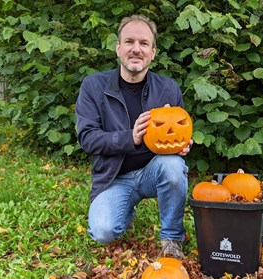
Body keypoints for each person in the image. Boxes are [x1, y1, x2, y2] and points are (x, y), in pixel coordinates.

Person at [75, 14, 192, 258]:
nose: (136, 49)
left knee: (174, 165)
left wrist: (181, 146)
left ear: (153, 52)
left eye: (144, 43)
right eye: (129, 42)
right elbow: (87, 138)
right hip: (113, 177)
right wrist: (131, 137)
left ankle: (171, 238)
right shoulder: (93, 87)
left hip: (153, 170)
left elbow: (177, 130)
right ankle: (125, 208)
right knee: (103, 232)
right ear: (118, 48)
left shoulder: (169, 88)